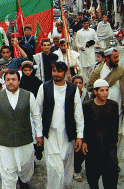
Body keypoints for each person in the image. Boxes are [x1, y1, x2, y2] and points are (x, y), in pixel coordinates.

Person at [0, 70, 43, 189]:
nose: (11, 82)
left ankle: (23, 180)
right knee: (8, 174)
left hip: (25, 141)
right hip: (5, 143)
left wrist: (39, 134)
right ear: (5, 82)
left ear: (19, 81)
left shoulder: (28, 96)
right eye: (8, 80)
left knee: (25, 169)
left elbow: (36, 116)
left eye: (13, 79)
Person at [36, 61, 84, 189]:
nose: (55, 74)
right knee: (54, 167)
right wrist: (39, 134)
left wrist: (79, 136)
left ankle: (61, 185)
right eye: (53, 71)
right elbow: (37, 111)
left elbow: (78, 114)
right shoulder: (44, 87)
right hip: (50, 134)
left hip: (67, 134)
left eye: (59, 71)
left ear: (66, 72)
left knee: (65, 164)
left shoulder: (73, 89)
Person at [87, 48, 124, 164]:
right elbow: (90, 86)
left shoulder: (120, 70)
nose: (118, 59)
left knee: (118, 137)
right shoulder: (98, 71)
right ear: (107, 58)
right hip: (101, 112)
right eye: (115, 58)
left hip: (118, 111)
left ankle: (116, 161)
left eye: (118, 57)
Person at [82, 79, 119, 189]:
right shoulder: (87, 106)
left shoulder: (113, 105)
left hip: (109, 147)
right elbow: (84, 125)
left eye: (107, 90)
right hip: (93, 146)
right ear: (95, 91)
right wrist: (84, 141)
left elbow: (115, 126)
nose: (105, 93)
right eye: (102, 90)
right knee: (92, 178)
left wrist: (113, 144)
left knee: (111, 179)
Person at [75, 18, 98, 82]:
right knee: (83, 69)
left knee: (91, 67)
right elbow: (76, 42)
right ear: (82, 24)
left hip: (90, 51)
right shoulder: (79, 32)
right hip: (82, 53)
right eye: (84, 23)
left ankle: (91, 83)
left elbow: (96, 39)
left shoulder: (92, 31)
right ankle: (84, 83)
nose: (86, 25)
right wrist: (80, 47)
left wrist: (91, 42)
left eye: (87, 23)